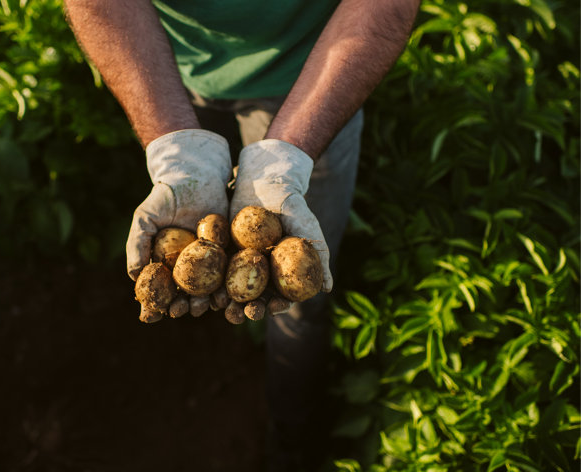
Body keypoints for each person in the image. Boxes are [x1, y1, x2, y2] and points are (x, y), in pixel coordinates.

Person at [64, 0, 420, 469]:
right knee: (201, 206)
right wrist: (174, 146)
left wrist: (290, 156)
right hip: (170, 67)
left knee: (301, 302)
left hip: (316, 76)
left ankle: (295, 439)